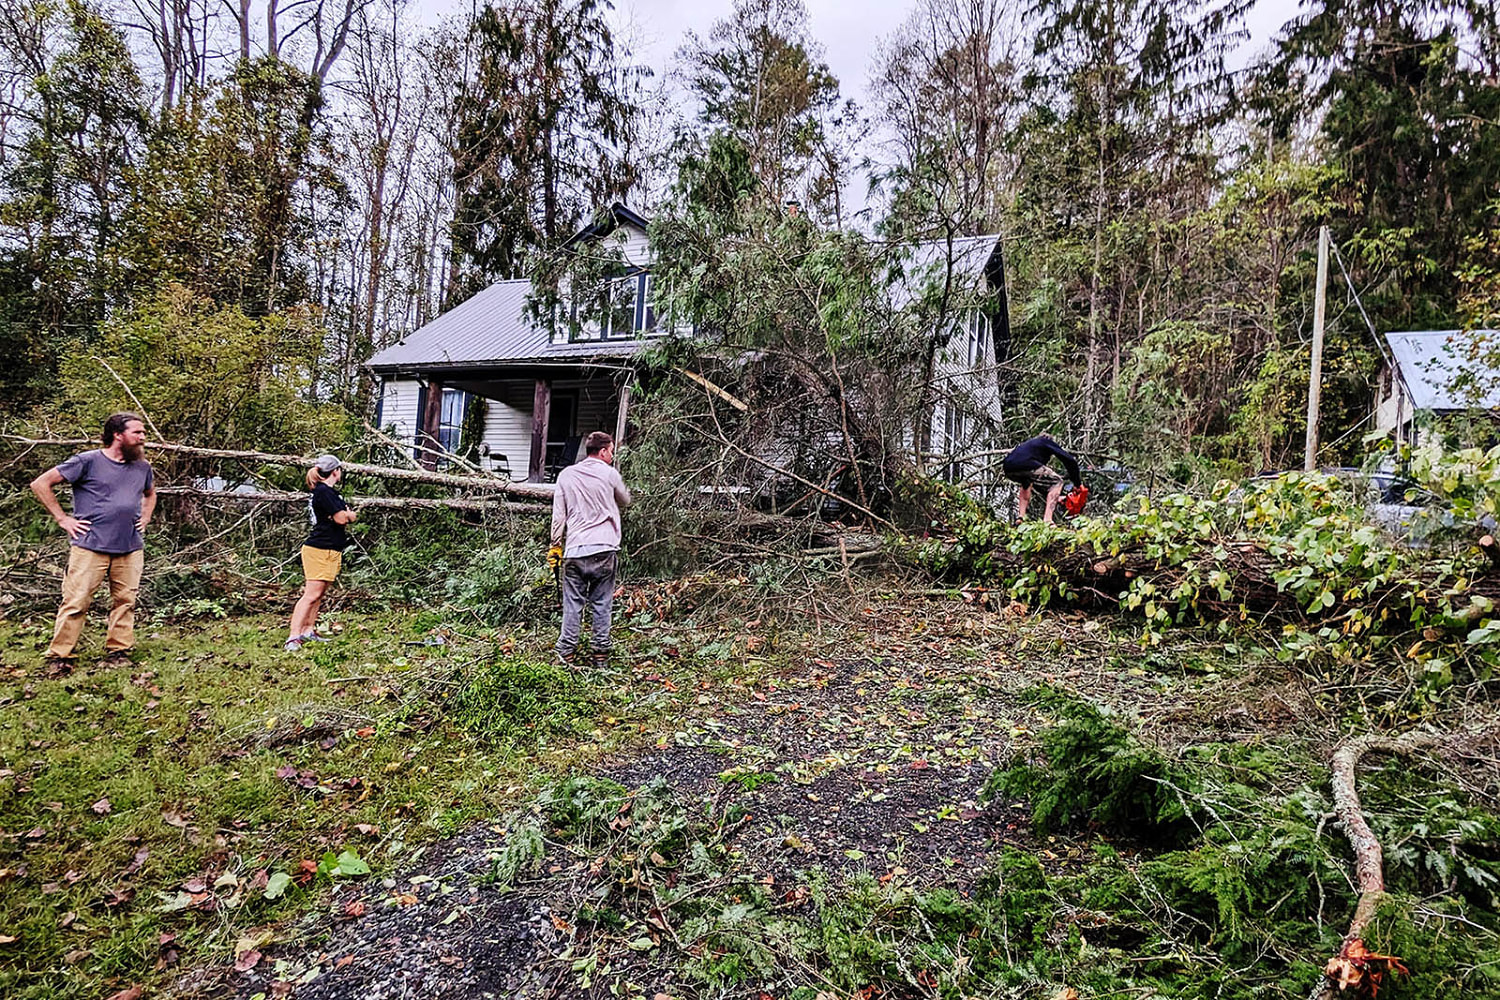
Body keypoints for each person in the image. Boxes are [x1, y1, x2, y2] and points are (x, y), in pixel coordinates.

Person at [30, 412, 157, 671]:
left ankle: (118, 652)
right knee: (76, 600)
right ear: (117, 435)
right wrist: (63, 519)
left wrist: (145, 517)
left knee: (125, 600)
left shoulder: (142, 466)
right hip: (90, 545)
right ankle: (59, 657)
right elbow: (41, 483)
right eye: (137, 432)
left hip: (130, 546)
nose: (143, 437)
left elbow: (150, 493)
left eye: (144, 433)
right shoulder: (87, 461)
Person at [549, 430, 631, 667]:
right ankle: (600, 656)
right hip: (605, 549)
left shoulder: (566, 475)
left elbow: (558, 515)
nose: (612, 456)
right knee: (602, 603)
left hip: (574, 550)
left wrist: (555, 545)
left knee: (572, 604)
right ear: (603, 451)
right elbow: (625, 500)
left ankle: (565, 654)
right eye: (611, 452)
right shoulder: (610, 474)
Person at [286, 455, 357, 652]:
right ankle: (293, 635)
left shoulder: (329, 493)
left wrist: (344, 515)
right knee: (311, 594)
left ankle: (308, 630)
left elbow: (338, 517)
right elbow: (342, 518)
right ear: (336, 471)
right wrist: (351, 515)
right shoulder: (324, 492)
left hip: (331, 548)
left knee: (319, 594)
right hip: (319, 549)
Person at [1002, 433, 1082, 525]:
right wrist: (1077, 483)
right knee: (1057, 481)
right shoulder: (1046, 441)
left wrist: (1057, 497)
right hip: (1027, 464)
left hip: (1008, 468)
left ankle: (1021, 518)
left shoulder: (1029, 446)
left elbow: (1041, 482)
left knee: (1026, 484)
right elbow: (1069, 460)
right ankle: (1048, 520)